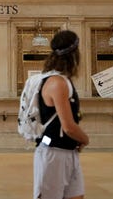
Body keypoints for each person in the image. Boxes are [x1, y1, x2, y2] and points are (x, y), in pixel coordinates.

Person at [34, 30, 89, 199]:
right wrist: (85, 139)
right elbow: (68, 126)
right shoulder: (57, 83)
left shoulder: (63, 81)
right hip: (53, 153)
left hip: (67, 151)